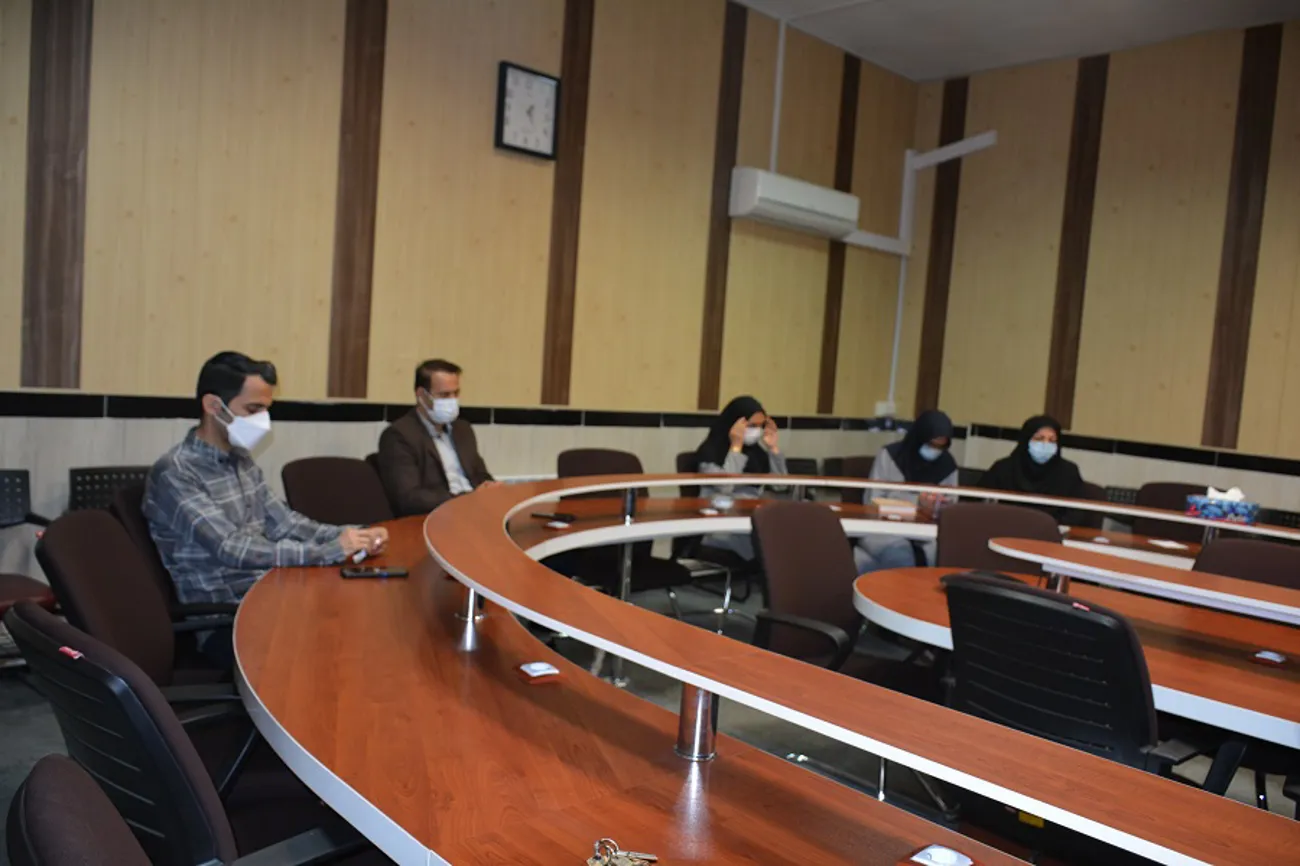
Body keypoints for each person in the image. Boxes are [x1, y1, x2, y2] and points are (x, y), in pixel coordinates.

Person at [144, 351, 388, 668]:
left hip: (271, 595)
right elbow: (231, 548)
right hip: (226, 619)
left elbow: (285, 524)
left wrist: (353, 535)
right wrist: (328, 551)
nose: (263, 420)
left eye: (265, 409)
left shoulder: (241, 460)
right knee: (337, 651)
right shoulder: (177, 473)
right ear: (213, 406)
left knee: (365, 622)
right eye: (253, 409)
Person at [376, 358, 497, 516]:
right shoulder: (399, 435)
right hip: (437, 517)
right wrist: (467, 498)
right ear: (421, 394)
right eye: (444, 395)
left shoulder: (463, 429)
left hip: (476, 512)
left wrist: (491, 487)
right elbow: (408, 498)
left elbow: (480, 475)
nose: (452, 401)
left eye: (456, 393)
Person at [854, 409, 958, 574]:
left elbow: (951, 507)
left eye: (940, 447)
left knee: (938, 557)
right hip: (883, 530)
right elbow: (872, 500)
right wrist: (917, 504)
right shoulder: (890, 456)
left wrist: (935, 507)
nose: (934, 451)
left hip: (925, 535)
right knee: (900, 555)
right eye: (930, 445)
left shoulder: (947, 466)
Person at [695, 395, 789, 560]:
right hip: (722, 525)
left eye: (760, 426)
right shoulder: (710, 453)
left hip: (751, 518)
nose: (756, 431)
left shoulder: (757, 453)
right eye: (751, 425)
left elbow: (780, 486)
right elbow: (726, 487)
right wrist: (736, 447)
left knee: (786, 534)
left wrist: (773, 448)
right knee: (771, 545)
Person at [979, 414, 1085, 522]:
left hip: (1050, 529)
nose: (1045, 444)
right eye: (1039, 439)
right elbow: (980, 503)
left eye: (1052, 440)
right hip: (1007, 526)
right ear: (1026, 440)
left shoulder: (1068, 472)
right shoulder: (1003, 468)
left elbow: (1077, 512)